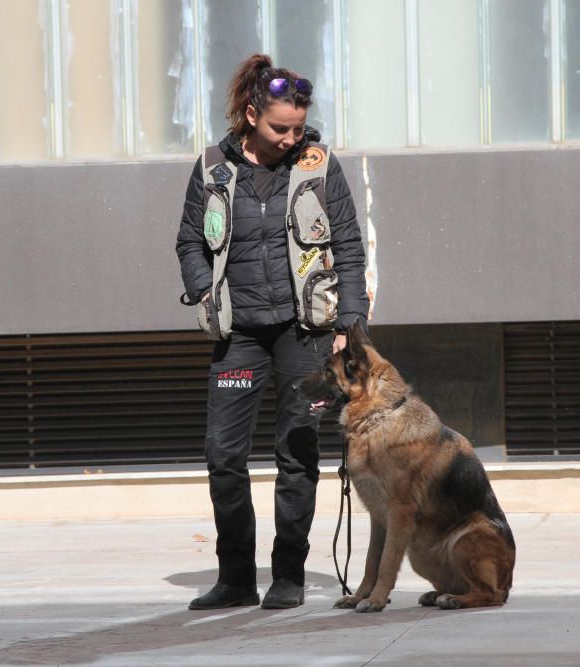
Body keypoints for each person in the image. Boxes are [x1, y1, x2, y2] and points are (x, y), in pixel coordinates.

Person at [176, 53, 369, 610]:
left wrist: (349, 327)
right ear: (251, 114)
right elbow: (190, 241)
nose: (291, 137)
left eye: (298, 128)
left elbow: (349, 248)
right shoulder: (214, 167)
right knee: (224, 456)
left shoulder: (317, 165)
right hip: (239, 335)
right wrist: (205, 291)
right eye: (279, 128)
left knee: (296, 452)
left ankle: (289, 574)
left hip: (302, 332)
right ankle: (236, 578)